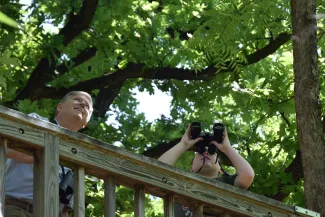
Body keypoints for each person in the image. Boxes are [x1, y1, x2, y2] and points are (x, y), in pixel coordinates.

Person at [5, 91, 93, 217]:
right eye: (77, 99)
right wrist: (44, 154)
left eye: (88, 106)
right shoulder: (36, 121)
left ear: (86, 123)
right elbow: (9, 149)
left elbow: (64, 208)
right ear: (59, 107)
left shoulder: (75, 157)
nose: (83, 103)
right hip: (16, 208)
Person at [158, 124, 255, 217]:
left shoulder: (227, 182)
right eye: (200, 152)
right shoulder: (181, 182)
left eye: (211, 152)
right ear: (191, 169)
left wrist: (227, 148)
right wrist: (183, 144)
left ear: (220, 170)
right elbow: (158, 170)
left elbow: (248, 175)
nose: (205, 153)